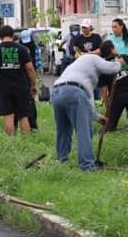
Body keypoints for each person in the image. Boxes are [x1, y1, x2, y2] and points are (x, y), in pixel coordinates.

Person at [52, 41, 122, 170]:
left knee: (63, 130)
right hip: (74, 92)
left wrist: (97, 117)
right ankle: (87, 165)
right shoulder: (93, 58)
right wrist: (119, 61)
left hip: (56, 92)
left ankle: (62, 161)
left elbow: (86, 102)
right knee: (84, 130)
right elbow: (113, 68)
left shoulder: (80, 65)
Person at [0, 25, 38, 135]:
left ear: (0, 36)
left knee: (8, 116)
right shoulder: (22, 49)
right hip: (21, 87)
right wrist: (33, 85)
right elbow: (30, 69)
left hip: (5, 88)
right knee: (23, 116)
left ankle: (11, 142)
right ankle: (25, 142)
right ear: (13, 36)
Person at [98, 48, 128, 131]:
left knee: (110, 126)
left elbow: (104, 90)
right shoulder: (124, 57)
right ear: (112, 50)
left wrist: (108, 107)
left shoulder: (103, 67)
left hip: (118, 97)